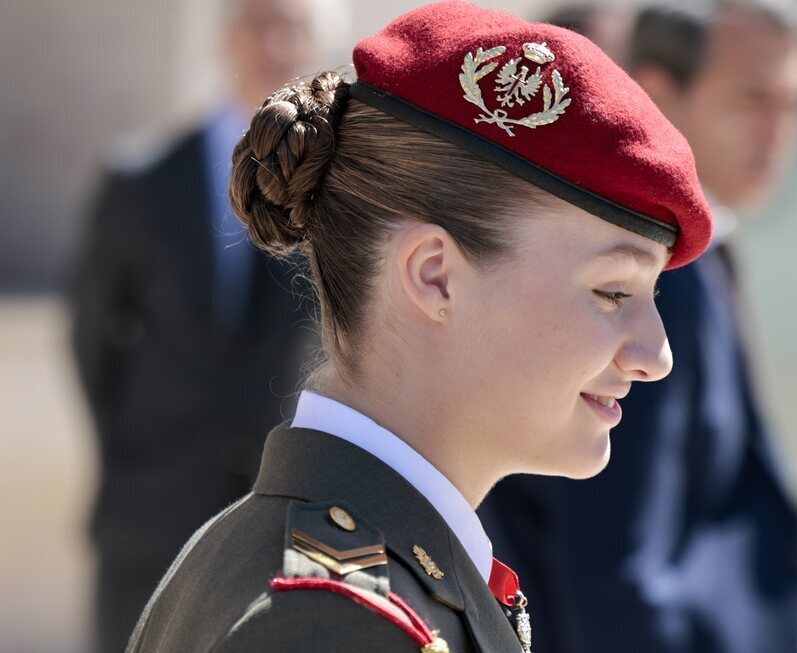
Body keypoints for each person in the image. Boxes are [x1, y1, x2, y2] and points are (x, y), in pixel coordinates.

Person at [124, 2, 714, 651]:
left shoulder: (324, 566)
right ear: (434, 275)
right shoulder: (334, 624)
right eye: (612, 291)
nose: (656, 354)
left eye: (651, 294)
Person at [479, 1, 797, 652]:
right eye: (754, 97)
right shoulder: (645, 276)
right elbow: (616, 571)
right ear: (659, 91)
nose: (779, 131)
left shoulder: (696, 256)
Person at [69, 0, 337, 649]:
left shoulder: (340, 199)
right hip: (151, 514)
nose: (274, 44)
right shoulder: (143, 180)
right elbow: (92, 339)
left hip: (286, 525)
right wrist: (135, 451)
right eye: (258, 23)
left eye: (292, 27)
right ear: (226, 38)